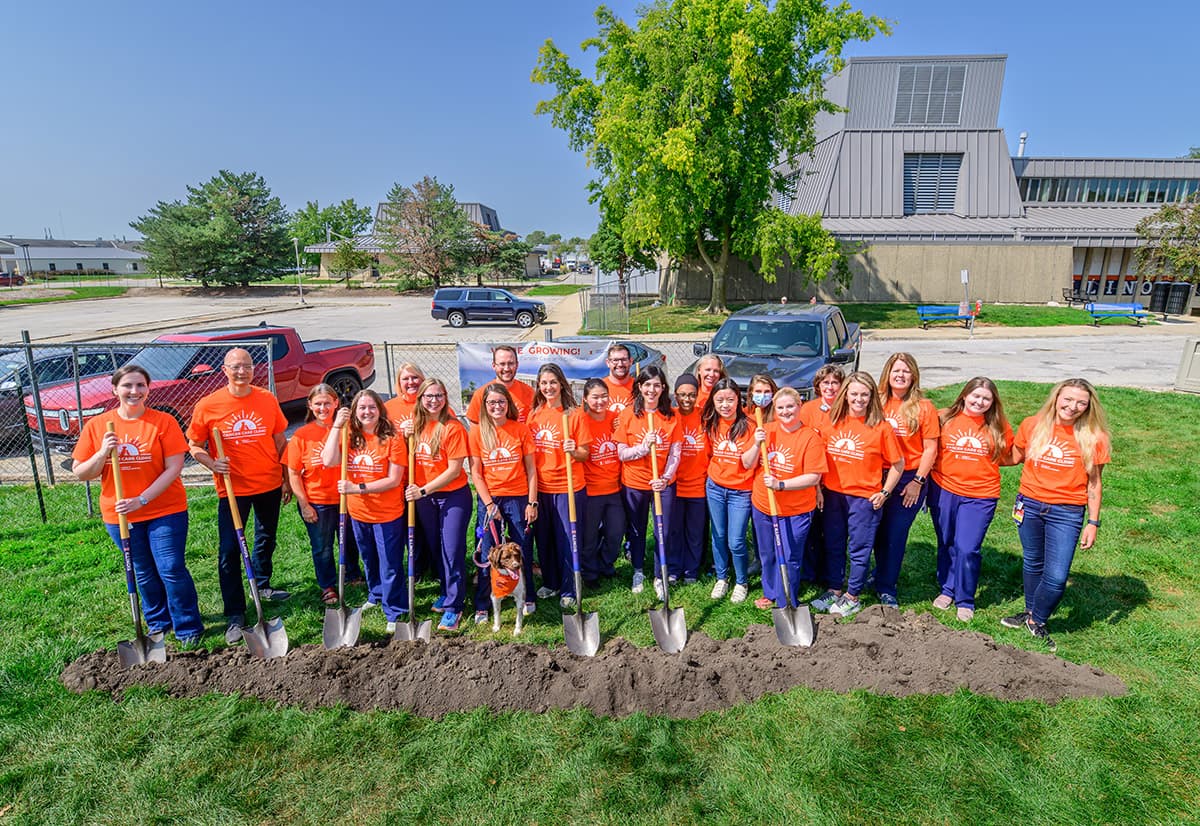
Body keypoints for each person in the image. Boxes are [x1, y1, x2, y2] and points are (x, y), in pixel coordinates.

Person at [72, 364, 203, 647]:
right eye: (127, 386)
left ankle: (188, 626)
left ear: (148, 388)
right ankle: (158, 623)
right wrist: (103, 452)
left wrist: (141, 499)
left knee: (171, 566)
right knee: (142, 569)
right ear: (115, 390)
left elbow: (174, 468)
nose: (134, 391)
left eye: (140, 385)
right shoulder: (97, 426)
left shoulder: (163, 422)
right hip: (119, 513)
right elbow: (81, 472)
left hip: (164, 509)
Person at [187, 348, 291, 645]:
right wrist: (211, 462)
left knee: (266, 536)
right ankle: (235, 612)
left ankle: (262, 583)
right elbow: (194, 444)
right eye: (236, 367)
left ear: (253, 370)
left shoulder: (266, 399)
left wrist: (285, 478)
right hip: (233, 488)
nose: (242, 371)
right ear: (225, 370)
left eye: (246, 366)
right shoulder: (208, 405)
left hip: (268, 481)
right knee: (230, 550)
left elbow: (280, 439)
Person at [1002, 379, 1111, 651]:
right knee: (1032, 562)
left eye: (1081, 403)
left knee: (1057, 576)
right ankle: (1030, 615)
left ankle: (1037, 619)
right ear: (1056, 397)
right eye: (1068, 399)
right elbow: (1014, 456)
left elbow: (1094, 483)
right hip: (1030, 504)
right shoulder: (1033, 424)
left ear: (1088, 406)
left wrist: (1093, 523)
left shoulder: (1094, 436)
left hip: (1067, 511)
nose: (1072, 406)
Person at [812, 371, 903, 619]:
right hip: (833, 495)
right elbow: (819, 459)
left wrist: (885, 492)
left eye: (864, 394)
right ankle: (834, 588)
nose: (859, 399)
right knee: (833, 543)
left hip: (864, 498)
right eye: (854, 394)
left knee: (859, 548)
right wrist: (819, 488)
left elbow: (898, 464)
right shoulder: (831, 421)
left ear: (872, 396)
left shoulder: (881, 427)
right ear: (845, 395)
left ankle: (852, 596)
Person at [928, 377, 1014, 623]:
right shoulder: (944, 418)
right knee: (946, 541)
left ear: (993, 402)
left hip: (980, 495)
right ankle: (947, 588)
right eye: (975, 396)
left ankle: (965, 599)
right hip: (943, 489)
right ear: (964, 395)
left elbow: (1009, 455)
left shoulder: (998, 425)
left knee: (967, 547)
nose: (980, 402)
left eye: (986, 398)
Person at [322, 390, 408, 633]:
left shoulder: (392, 437)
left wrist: (357, 488)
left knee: (390, 563)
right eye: (362, 408)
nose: (367, 412)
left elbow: (394, 479)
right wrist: (336, 427)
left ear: (379, 409)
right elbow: (328, 460)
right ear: (355, 412)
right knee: (369, 558)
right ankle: (376, 593)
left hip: (387, 512)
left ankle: (395, 609)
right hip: (359, 513)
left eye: (371, 407)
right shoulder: (350, 435)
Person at [744, 388, 827, 610]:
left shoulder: (810, 438)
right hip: (763, 504)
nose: (785, 411)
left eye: (790, 406)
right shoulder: (766, 431)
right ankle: (770, 592)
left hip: (796, 509)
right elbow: (746, 463)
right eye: (780, 407)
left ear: (799, 406)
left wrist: (781, 485)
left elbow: (813, 476)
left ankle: (786, 598)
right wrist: (754, 443)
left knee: (789, 555)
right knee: (768, 552)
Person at [285, 384, 364, 607]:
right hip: (318, 500)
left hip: (347, 497)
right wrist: (304, 504)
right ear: (310, 405)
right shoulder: (301, 436)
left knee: (349, 540)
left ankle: (352, 575)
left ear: (336, 403)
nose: (323, 408)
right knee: (323, 546)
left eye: (327, 403)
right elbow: (293, 473)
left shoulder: (348, 429)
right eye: (318, 404)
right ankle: (328, 585)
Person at [403, 377, 470, 632]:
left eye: (439, 395)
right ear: (420, 399)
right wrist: (404, 434)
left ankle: (455, 606)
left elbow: (454, 470)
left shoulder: (452, 427)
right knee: (437, 548)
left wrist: (422, 490)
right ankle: (446, 591)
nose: (434, 401)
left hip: (452, 496)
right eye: (429, 396)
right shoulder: (416, 428)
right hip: (425, 499)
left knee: (452, 549)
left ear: (445, 398)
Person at [467, 382, 538, 624]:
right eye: (491, 403)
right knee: (489, 552)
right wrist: (489, 505)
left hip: (518, 497)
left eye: (501, 402)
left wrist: (532, 502)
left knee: (522, 549)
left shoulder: (520, 430)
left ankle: (527, 595)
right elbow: (476, 473)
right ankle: (483, 604)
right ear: (484, 406)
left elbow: (531, 470)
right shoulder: (477, 432)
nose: (496, 406)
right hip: (491, 498)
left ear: (508, 404)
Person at [873, 353, 940, 607]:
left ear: (914, 376)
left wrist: (918, 481)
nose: (900, 375)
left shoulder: (924, 407)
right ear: (887, 374)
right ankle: (878, 574)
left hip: (909, 478)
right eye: (895, 371)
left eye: (905, 371)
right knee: (877, 530)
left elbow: (930, 449)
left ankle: (887, 586)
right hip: (877, 475)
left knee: (895, 533)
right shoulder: (877, 402)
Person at [527, 363, 590, 609]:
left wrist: (572, 450)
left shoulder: (573, 414)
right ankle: (551, 581)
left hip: (568, 486)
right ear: (538, 386)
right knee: (545, 538)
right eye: (543, 383)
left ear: (561, 383)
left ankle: (569, 586)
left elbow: (585, 454)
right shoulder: (535, 414)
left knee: (567, 538)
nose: (548, 387)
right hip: (542, 487)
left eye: (553, 382)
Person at [615, 365, 680, 597]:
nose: (652, 390)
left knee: (663, 529)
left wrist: (665, 478)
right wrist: (643, 448)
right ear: (639, 387)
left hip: (662, 485)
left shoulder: (672, 416)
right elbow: (621, 453)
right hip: (635, 483)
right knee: (637, 529)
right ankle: (638, 570)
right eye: (647, 385)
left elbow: (675, 453)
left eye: (656, 385)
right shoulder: (628, 415)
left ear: (663, 388)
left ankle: (659, 574)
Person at [702, 377, 755, 602]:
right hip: (715, 487)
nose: (725, 405)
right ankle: (722, 578)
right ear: (713, 401)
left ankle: (741, 581)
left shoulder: (750, 425)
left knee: (736, 540)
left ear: (738, 400)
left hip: (740, 491)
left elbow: (749, 463)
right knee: (719, 535)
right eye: (720, 400)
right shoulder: (710, 423)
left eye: (730, 400)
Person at [383, 362, 433, 581]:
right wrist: (401, 436)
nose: (411, 382)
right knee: (408, 525)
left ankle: (434, 565)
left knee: (428, 526)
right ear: (399, 383)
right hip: (400, 478)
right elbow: (380, 440)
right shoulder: (389, 408)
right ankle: (417, 566)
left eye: (415, 378)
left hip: (427, 478)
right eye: (406, 379)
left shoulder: (432, 401)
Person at [799, 365, 845, 581]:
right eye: (825, 382)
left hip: (837, 480)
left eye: (834, 382)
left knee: (833, 531)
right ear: (817, 386)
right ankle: (809, 573)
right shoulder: (808, 410)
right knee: (811, 530)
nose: (830, 387)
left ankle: (831, 573)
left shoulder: (846, 410)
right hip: (812, 480)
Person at [579, 378, 623, 583]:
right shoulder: (581, 420)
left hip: (615, 488)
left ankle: (606, 562)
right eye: (595, 397)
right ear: (585, 399)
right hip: (591, 490)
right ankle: (589, 571)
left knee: (615, 532)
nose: (600, 401)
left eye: (604, 396)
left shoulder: (616, 418)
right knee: (589, 536)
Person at [668, 373, 709, 584]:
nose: (687, 399)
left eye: (692, 395)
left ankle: (691, 570)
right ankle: (674, 569)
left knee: (694, 532)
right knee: (674, 531)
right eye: (682, 395)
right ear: (675, 395)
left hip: (698, 486)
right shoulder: (671, 416)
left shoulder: (704, 416)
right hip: (675, 485)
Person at [465, 345, 535, 424]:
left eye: (511, 363)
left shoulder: (529, 392)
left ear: (517, 365)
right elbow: (475, 427)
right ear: (494, 366)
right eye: (502, 364)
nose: (506, 368)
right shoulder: (481, 394)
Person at [602, 343, 636, 414]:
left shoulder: (639, 388)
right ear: (608, 363)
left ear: (630, 361)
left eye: (624, 360)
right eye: (615, 360)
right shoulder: (599, 388)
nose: (620, 364)